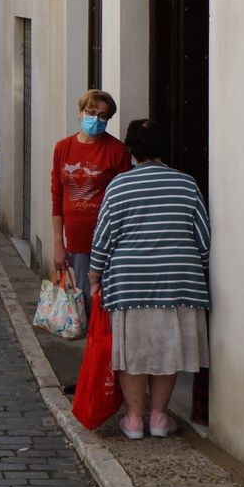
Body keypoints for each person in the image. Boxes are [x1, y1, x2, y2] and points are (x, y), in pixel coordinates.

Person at [87, 117, 210, 440]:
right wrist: (198, 270)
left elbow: (103, 237)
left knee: (132, 350)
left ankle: (133, 420)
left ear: (130, 150)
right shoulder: (187, 184)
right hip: (178, 280)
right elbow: (203, 238)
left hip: (129, 282)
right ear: (163, 148)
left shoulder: (119, 186)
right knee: (168, 348)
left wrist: (95, 276)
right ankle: (158, 417)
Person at [50, 89, 132, 325]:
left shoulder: (117, 151)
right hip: (77, 241)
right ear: (80, 113)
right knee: (85, 300)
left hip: (110, 242)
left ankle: (106, 344)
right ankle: (92, 345)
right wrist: (58, 243)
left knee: (106, 302)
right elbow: (57, 198)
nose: (96, 119)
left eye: (103, 116)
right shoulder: (62, 148)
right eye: (91, 112)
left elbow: (125, 196)